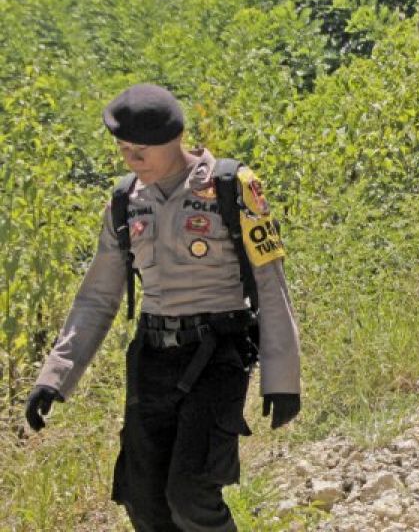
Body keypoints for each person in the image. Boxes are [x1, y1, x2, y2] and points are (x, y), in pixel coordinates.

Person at [25, 83, 301, 532]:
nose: (130, 161)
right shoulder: (124, 201)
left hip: (217, 353)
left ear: (175, 139)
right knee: (144, 501)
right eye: (123, 150)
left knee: (191, 494)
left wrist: (282, 379)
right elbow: (97, 297)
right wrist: (54, 377)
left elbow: (270, 285)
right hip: (152, 358)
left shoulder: (233, 187)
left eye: (140, 151)